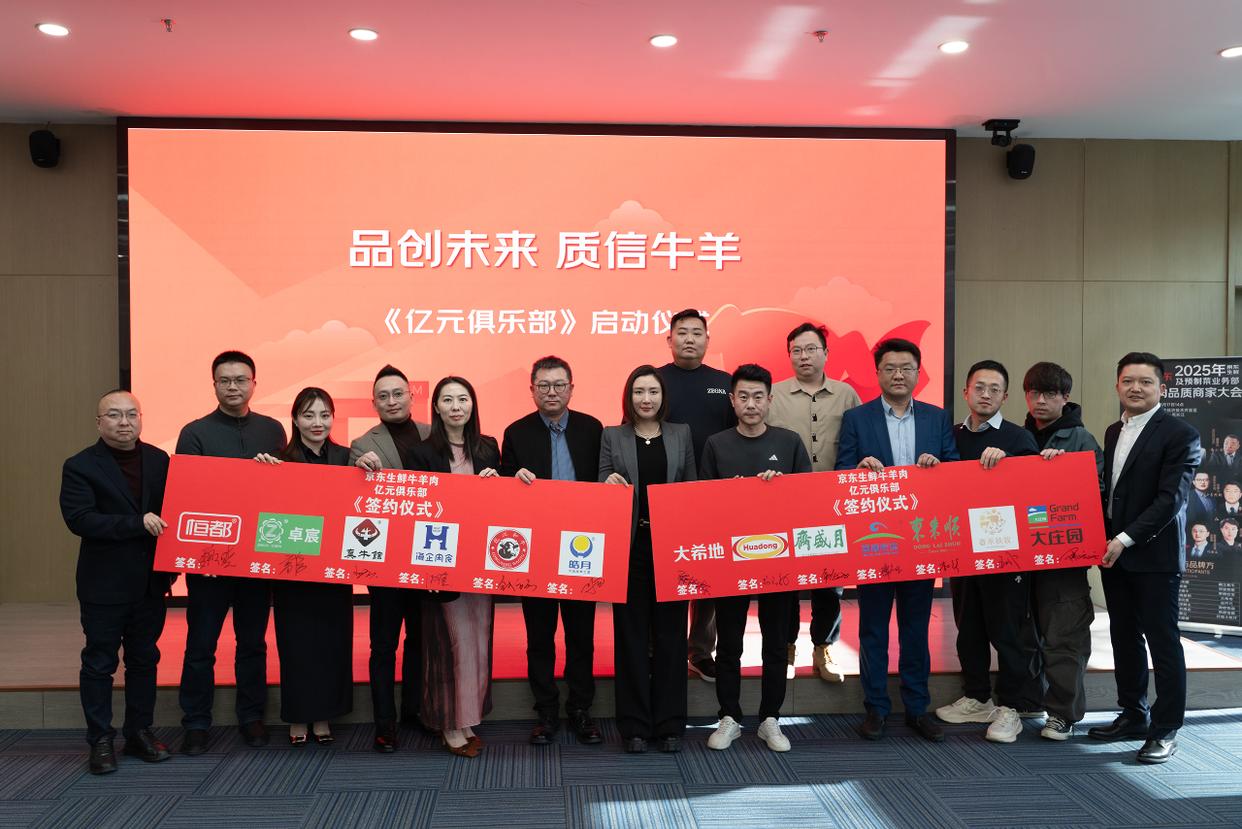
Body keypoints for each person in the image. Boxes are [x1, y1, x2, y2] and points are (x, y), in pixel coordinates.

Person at [836, 337, 958, 743]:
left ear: (918, 373)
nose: (899, 375)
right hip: (876, 540)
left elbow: (956, 469)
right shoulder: (857, 418)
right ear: (877, 373)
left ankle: (917, 708)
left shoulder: (937, 418)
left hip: (921, 541)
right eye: (890, 368)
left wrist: (939, 467)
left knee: (915, 628)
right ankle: (876, 708)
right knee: (872, 628)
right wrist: (859, 469)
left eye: (906, 368)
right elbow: (841, 471)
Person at [1089, 352, 1199, 765]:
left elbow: (1171, 500)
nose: (1136, 388)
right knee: (1124, 636)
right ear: (1117, 385)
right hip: (1115, 554)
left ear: (1161, 388)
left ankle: (1166, 728)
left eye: (1145, 382)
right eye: (1128, 381)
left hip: (1154, 556)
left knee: (1163, 642)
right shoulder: (1114, 430)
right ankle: (1134, 714)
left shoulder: (1181, 434)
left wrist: (1125, 538)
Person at [177, 351, 286, 754]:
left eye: (241, 380)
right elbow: (188, 498)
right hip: (210, 563)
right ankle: (195, 723)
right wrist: (201, 553)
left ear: (254, 383)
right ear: (214, 385)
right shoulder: (194, 433)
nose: (233, 387)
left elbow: (283, 495)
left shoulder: (273, 430)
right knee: (200, 645)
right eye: (225, 381)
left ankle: (251, 717)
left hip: (256, 560)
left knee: (253, 643)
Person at [60, 390, 173, 774]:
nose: (124, 422)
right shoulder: (80, 466)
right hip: (104, 585)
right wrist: (135, 523)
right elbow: (80, 519)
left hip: (150, 584)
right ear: (99, 422)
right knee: (99, 663)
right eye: (114, 415)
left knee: (144, 661)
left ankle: (139, 732)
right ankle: (100, 740)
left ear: (141, 418)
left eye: (131, 414)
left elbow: (177, 511)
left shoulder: (159, 460)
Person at [701, 363, 811, 753]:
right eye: (743, 397)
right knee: (729, 642)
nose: (751, 404)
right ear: (732, 401)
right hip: (731, 561)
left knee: (776, 642)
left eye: (758, 397)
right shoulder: (716, 444)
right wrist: (726, 494)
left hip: (778, 558)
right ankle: (729, 716)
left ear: (769, 400)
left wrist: (780, 489)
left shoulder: (790, 442)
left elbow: (807, 499)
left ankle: (770, 718)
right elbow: (702, 504)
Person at [500, 356, 605, 745]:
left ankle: (580, 708)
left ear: (572, 388)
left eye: (559, 385)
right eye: (543, 385)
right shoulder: (516, 432)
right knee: (539, 636)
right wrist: (513, 479)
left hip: (582, 548)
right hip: (537, 551)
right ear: (531, 390)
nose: (551, 392)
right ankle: (545, 710)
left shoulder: (593, 429)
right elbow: (503, 494)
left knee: (581, 635)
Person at [937, 360, 1041, 744]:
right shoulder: (950, 436)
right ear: (966, 392)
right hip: (961, 548)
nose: (985, 395)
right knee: (969, 628)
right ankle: (977, 697)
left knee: (1007, 630)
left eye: (994, 389)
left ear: (1005, 396)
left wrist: (1008, 465)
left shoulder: (1018, 438)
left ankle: (1011, 707)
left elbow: (1034, 491)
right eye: (979, 387)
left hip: (1004, 551)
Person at [600, 365, 697, 754]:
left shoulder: (681, 434)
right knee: (632, 636)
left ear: (663, 397)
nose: (646, 399)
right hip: (631, 546)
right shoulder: (613, 435)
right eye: (639, 391)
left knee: (672, 636)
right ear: (629, 396)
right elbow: (601, 483)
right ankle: (635, 727)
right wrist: (607, 482)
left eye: (653, 391)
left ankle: (671, 724)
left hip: (673, 547)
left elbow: (690, 488)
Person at [253, 388, 353, 746]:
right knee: (296, 645)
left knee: (331, 643)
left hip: (335, 570)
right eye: (309, 415)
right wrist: (261, 474)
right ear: (295, 419)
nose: (317, 423)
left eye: (325, 415)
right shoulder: (279, 460)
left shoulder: (347, 457)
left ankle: (324, 715)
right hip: (293, 570)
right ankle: (298, 716)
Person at [408, 377, 501, 758]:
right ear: (437, 407)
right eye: (448, 400)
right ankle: (449, 722)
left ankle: (468, 717)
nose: (456, 406)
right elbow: (417, 509)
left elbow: (502, 504)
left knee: (478, 640)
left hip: (481, 559)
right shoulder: (421, 452)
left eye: (463, 399)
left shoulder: (488, 447)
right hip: (441, 559)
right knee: (447, 644)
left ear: (472, 404)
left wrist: (500, 483)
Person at [766, 322, 860, 684]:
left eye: (811, 349)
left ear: (826, 353)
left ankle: (824, 646)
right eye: (796, 350)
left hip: (832, 502)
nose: (803, 356)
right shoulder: (773, 394)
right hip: (784, 502)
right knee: (786, 579)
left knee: (830, 580)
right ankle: (787, 645)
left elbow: (858, 440)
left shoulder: (846, 394)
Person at [350, 365, 432, 752]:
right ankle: (384, 723)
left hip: (429, 557)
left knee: (421, 641)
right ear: (374, 403)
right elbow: (353, 496)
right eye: (383, 396)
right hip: (384, 562)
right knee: (383, 646)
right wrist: (357, 467)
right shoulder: (362, 444)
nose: (392, 401)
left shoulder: (434, 434)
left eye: (398, 393)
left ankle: (414, 711)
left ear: (411, 396)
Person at [1020, 361, 1102, 741]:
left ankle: (1063, 714)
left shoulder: (1081, 440)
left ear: (1065, 397)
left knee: (1065, 635)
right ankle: (1030, 700)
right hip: (1022, 557)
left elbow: (1097, 494)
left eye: (1050, 394)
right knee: (1026, 634)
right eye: (1034, 393)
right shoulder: (1017, 437)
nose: (1040, 401)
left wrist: (1063, 471)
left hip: (1063, 559)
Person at [658, 308, 735, 683]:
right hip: (666, 493)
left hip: (714, 493)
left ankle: (701, 651)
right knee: (667, 572)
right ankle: (663, 648)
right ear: (669, 339)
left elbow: (740, 431)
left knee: (708, 573)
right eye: (682, 332)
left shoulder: (724, 382)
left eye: (697, 333)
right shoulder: (654, 380)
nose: (689, 339)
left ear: (707, 340)